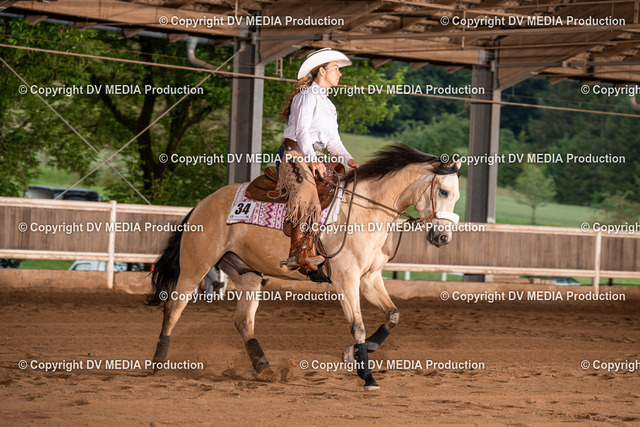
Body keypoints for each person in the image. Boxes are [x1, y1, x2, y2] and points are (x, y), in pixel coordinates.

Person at [276, 48, 359, 274]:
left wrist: (349, 159)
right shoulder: (306, 96)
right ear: (321, 71)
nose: (339, 73)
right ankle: (297, 252)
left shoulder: (329, 105)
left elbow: (333, 140)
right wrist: (312, 159)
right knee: (306, 191)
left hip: (315, 157)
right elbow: (302, 131)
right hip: (294, 154)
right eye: (335, 68)